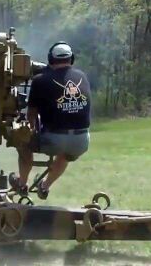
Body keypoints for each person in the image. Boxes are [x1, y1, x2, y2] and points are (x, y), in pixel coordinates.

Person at [11, 41, 91, 200]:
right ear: (71, 59)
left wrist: (28, 131)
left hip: (55, 140)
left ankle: (22, 183)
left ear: (50, 59)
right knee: (66, 154)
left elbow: (31, 116)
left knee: (23, 143)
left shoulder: (40, 80)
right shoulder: (82, 76)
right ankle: (44, 187)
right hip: (82, 141)